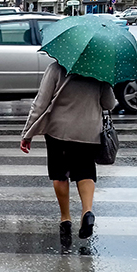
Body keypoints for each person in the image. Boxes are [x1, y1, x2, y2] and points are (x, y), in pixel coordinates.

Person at [19, 62, 116, 249]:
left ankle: (65, 219)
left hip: (58, 131)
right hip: (88, 131)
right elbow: (109, 104)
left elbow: (41, 102)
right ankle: (87, 212)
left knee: (59, 174)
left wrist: (27, 133)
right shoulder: (100, 69)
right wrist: (106, 82)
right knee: (85, 172)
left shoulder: (57, 68)